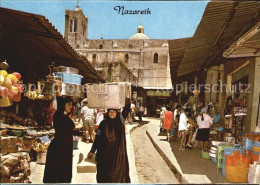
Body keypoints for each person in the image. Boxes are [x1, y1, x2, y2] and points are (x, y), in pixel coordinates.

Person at [87, 99, 131, 183]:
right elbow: (98, 138)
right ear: (107, 113)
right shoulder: (102, 124)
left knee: (115, 176)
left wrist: (127, 99)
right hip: (104, 154)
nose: (112, 114)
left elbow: (126, 110)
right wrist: (92, 150)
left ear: (117, 113)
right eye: (110, 112)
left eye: (114, 112)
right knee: (104, 175)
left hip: (116, 155)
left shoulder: (120, 122)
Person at [43, 89, 74, 183]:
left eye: (71, 105)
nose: (70, 106)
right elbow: (60, 102)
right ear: (62, 105)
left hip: (66, 148)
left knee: (64, 174)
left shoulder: (65, 117)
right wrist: (58, 92)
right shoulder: (58, 116)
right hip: (58, 149)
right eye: (68, 104)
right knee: (56, 174)